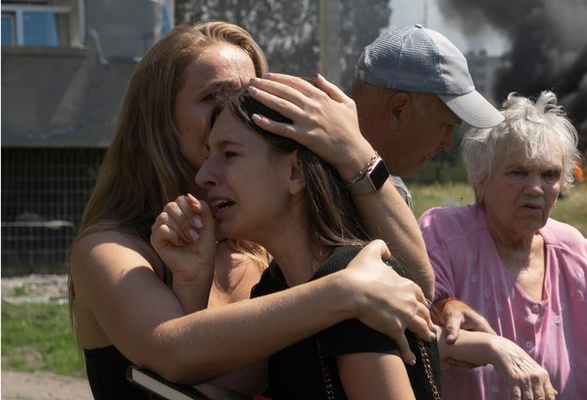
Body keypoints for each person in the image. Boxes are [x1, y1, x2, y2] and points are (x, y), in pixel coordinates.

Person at [69, 22, 435, 399]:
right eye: (213, 95)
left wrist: (356, 152)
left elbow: (415, 287)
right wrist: (344, 290)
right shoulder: (110, 248)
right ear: (158, 120)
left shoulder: (264, 250)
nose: (233, 107)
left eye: (249, 90)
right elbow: (172, 353)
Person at [155, 85, 441, 398]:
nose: (203, 175)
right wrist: (192, 281)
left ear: (294, 172)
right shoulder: (278, 285)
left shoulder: (360, 283)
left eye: (230, 154)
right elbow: (201, 380)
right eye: (209, 155)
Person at [418, 91, 587, 399]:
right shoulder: (445, 234)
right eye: (517, 173)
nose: (535, 188)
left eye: (549, 175)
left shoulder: (574, 252)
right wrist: (447, 306)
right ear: (481, 179)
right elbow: (418, 317)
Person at [350, 24, 504, 207]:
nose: (447, 144)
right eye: (445, 126)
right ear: (398, 110)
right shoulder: (313, 181)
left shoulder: (391, 191)